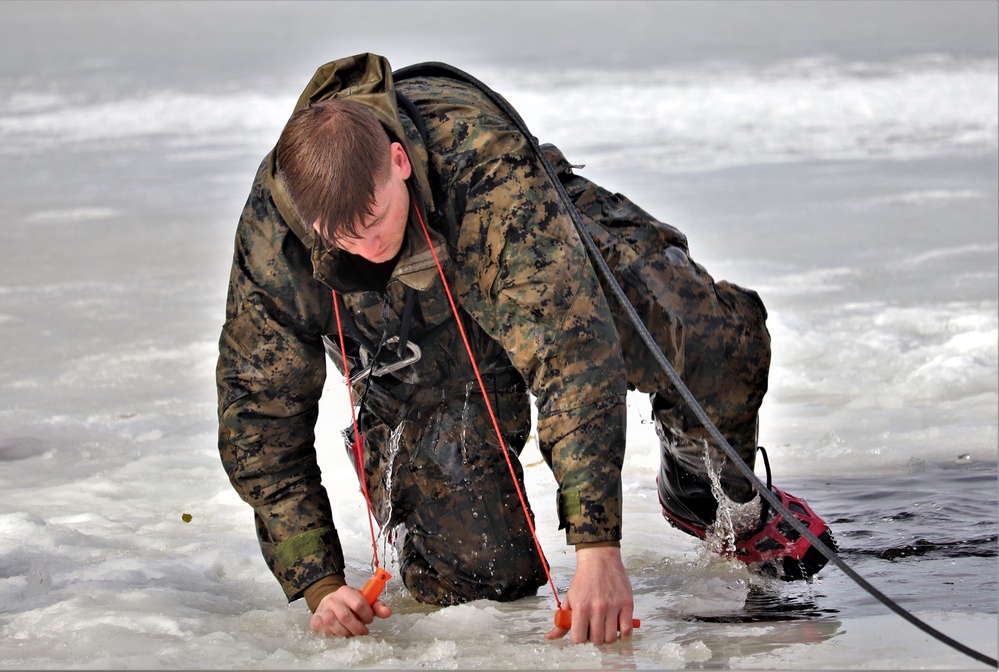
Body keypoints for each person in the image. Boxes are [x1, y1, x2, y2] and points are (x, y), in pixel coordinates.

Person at [216, 53, 832, 645]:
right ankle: (409, 478)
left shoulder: (481, 163)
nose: (364, 247)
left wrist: (598, 547)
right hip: (420, 350)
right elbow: (257, 417)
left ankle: (704, 495)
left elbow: (571, 346)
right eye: (340, 239)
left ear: (399, 162)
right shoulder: (277, 238)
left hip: (530, 257)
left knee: (709, 341)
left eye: (375, 220)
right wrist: (318, 581)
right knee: (482, 577)